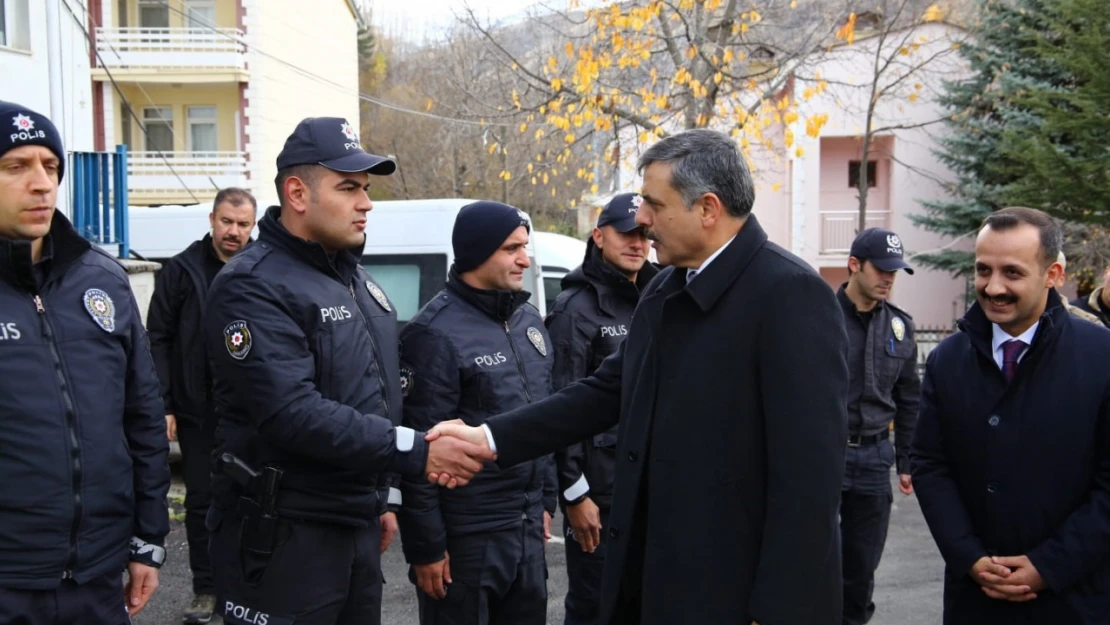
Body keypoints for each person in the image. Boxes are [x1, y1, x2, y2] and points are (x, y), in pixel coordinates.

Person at [428, 128, 849, 625]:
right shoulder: (666, 289)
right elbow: (605, 392)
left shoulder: (790, 296)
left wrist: (778, 609)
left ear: (708, 209)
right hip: (654, 577)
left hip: (735, 593)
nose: (643, 220)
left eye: (654, 204)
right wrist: (488, 438)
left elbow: (809, 481)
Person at [203, 116, 495, 625]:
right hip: (285, 538)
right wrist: (415, 450)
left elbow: (375, 397)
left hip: (355, 525)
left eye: (365, 188)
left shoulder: (360, 284)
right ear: (297, 192)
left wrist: (383, 495)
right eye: (348, 188)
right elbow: (292, 413)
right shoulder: (252, 285)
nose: (366, 203)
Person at [0, 100, 169, 623]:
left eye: (50, 167)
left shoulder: (102, 279)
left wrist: (148, 540)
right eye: (15, 167)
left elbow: (141, 416)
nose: (41, 183)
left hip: (96, 577)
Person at [911, 207, 1110, 625]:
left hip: (1074, 600)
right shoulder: (948, 360)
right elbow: (931, 464)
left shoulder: (1101, 357)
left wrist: (1049, 567)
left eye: (1012, 273)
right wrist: (968, 555)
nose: (993, 287)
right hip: (975, 599)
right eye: (983, 270)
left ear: (1053, 274)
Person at [397, 200, 558, 625]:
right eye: (511, 249)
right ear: (476, 252)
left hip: (526, 531)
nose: (524, 259)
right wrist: (426, 548)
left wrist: (547, 499)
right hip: (466, 540)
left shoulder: (529, 323)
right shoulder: (433, 334)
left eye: (525, 247)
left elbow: (547, 419)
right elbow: (418, 452)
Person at [544, 192, 658, 625]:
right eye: (626, 233)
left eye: (644, 234)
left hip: (646, 483)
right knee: (595, 606)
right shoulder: (575, 308)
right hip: (599, 494)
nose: (637, 243)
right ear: (598, 236)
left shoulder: (656, 296)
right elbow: (562, 403)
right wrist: (574, 493)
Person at [147, 186, 257, 624]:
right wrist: (164, 403)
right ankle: (207, 589)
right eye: (226, 222)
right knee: (201, 504)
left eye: (243, 224)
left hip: (255, 412)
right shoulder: (180, 270)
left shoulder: (262, 266)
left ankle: (251, 587)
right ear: (212, 219)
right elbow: (156, 338)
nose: (234, 232)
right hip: (197, 411)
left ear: (253, 226)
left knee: (256, 500)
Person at [836, 227, 921, 625]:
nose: (888, 278)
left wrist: (905, 460)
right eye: (881, 269)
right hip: (824, 456)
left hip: (874, 459)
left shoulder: (900, 327)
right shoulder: (819, 317)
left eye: (895, 271)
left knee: (860, 568)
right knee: (810, 560)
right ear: (854, 265)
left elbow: (909, 399)